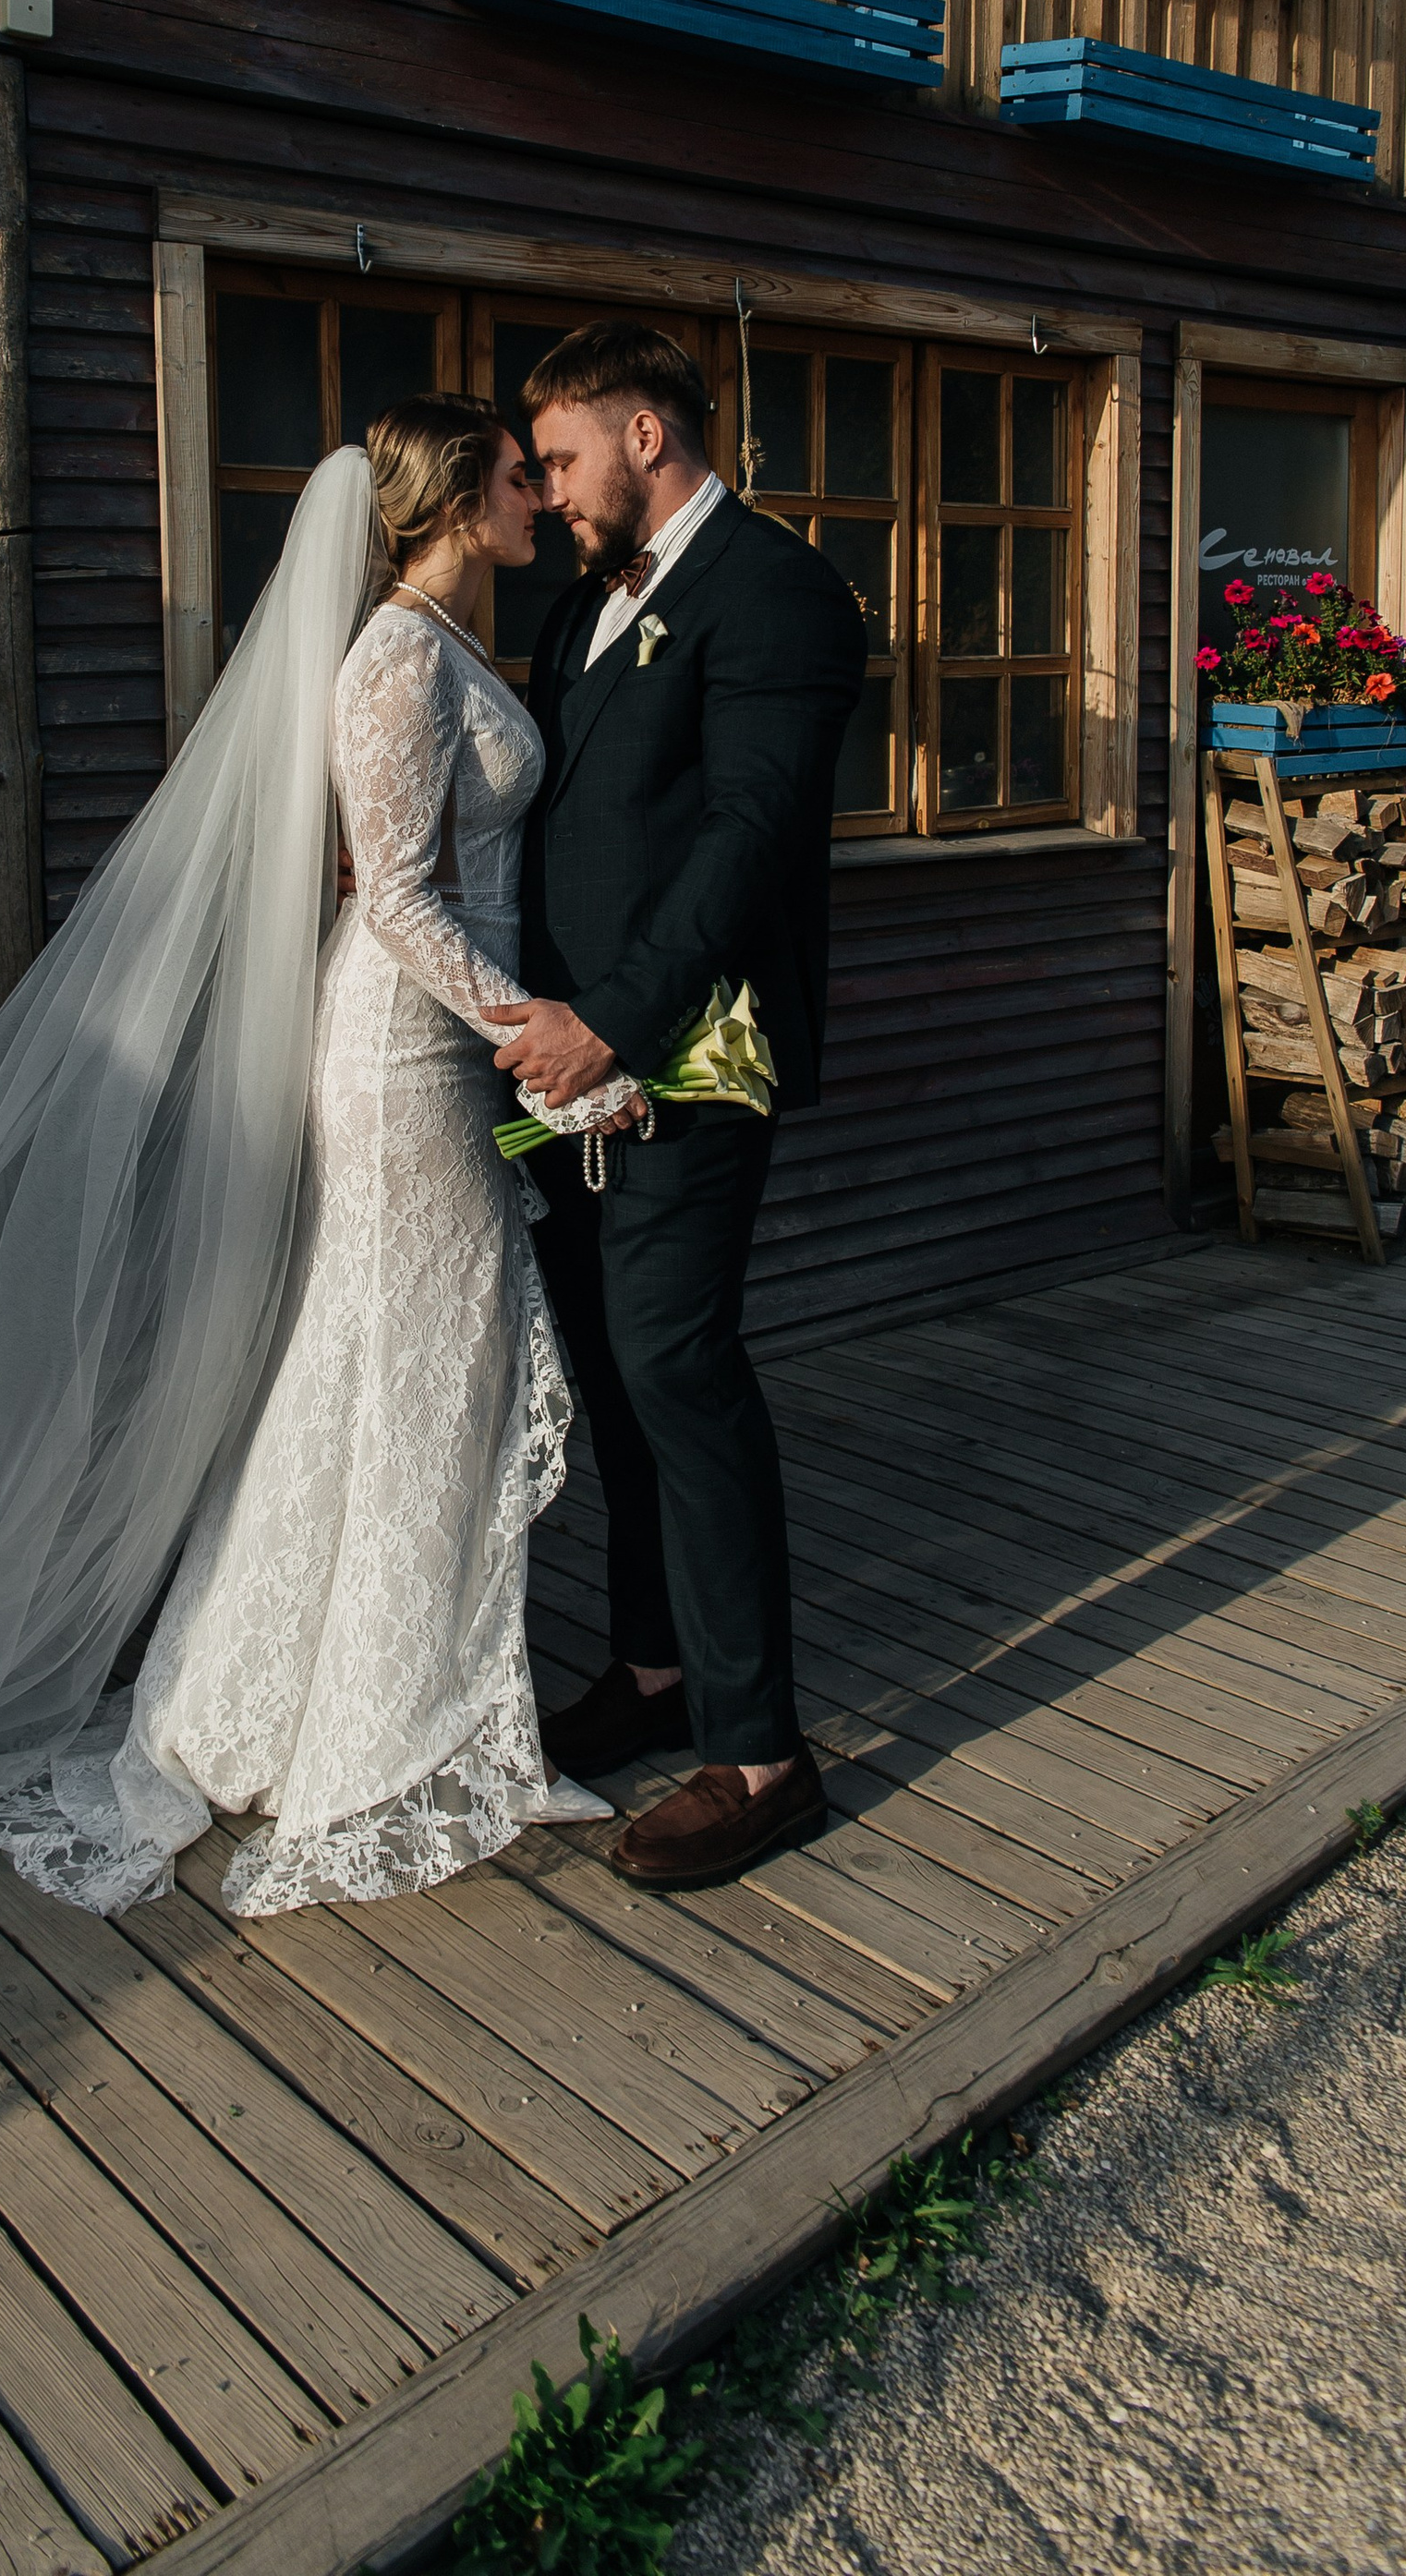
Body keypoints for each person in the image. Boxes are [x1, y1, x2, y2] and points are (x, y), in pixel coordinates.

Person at [0, 396, 623, 1916]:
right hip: (405, 1059)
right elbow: (390, 898)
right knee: (421, 1376)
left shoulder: (451, 648)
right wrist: (541, 1038)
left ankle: (391, 1711)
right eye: (520, 478)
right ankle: (385, 1743)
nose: (541, 496)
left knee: (397, 1379)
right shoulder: (393, 657)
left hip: (454, 1057)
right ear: (455, 500)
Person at [491, 320, 867, 1895]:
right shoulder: (587, 602)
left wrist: (616, 1028)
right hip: (563, 1079)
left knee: (676, 1363)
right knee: (605, 1365)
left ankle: (765, 1752)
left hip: (698, 1059)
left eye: (562, 459)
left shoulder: (780, 592)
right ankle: (649, 1675)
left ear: (648, 435)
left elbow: (749, 835)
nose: (550, 493)